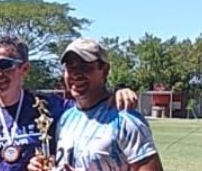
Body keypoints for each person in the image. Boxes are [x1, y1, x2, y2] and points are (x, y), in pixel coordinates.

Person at [0, 37, 138, 171]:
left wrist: (116, 92)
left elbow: (88, 105)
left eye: (5, 65)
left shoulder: (52, 108)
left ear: (24, 69)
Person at [28, 38, 162, 171]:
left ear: (104, 70)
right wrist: (44, 165)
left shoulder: (125, 120)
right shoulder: (65, 119)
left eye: (85, 67)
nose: (76, 74)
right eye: (70, 68)